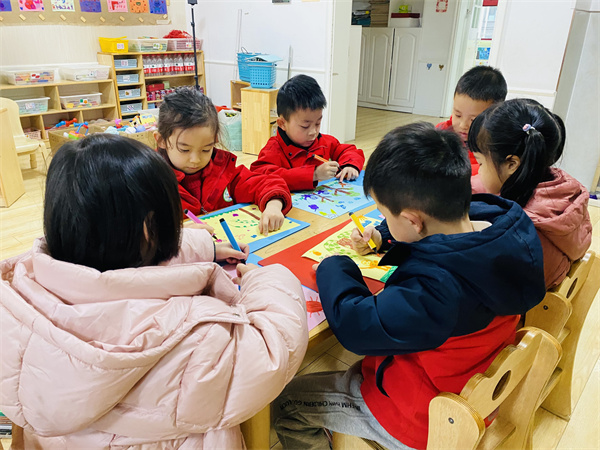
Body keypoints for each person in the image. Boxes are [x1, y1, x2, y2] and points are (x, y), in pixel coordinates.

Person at [0, 134, 308, 449]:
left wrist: (204, 247)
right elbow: (272, 352)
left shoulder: (19, 290)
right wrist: (268, 280)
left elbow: (112, 267)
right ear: (150, 229)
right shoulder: (192, 333)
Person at [272, 122, 546, 450]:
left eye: (386, 216)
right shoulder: (504, 226)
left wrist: (335, 266)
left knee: (287, 404)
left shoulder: (436, 288)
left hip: (421, 416)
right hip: (464, 384)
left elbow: (355, 327)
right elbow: (440, 238)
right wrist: (387, 234)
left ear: (414, 220)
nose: (384, 222)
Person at [468, 98, 592, 288]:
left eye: (481, 163)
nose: (479, 171)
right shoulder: (563, 190)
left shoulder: (519, 237)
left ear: (512, 164)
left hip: (519, 300)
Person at [155, 86, 292, 235]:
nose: (195, 160)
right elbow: (142, 234)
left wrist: (273, 205)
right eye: (184, 150)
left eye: (206, 149)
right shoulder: (150, 183)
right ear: (161, 140)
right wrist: (180, 234)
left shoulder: (223, 171)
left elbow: (266, 183)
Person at [250, 74, 365, 191]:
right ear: (282, 124)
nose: (313, 132)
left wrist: (350, 165)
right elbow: (260, 175)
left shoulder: (324, 142)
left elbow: (349, 151)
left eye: (317, 123)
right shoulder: (273, 150)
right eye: (305, 126)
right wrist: (314, 174)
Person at [437, 66, 507, 176]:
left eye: (473, 120)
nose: (463, 125)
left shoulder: (496, 145)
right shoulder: (441, 132)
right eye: (458, 115)